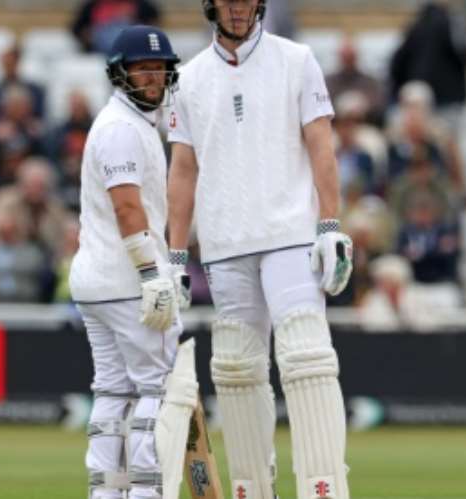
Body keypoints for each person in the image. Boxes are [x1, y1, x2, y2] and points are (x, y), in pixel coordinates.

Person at [167, 1, 353, 497]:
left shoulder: (296, 59)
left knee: (306, 358)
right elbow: (183, 171)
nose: (238, 8)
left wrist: (330, 225)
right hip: (226, 243)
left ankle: (324, 488)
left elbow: (321, 146)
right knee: (235, 369)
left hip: (290, 233)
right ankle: (251, 489)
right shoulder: (187, 80)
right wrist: (175, 257)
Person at [68, 26, 196, 499]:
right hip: (126, 280)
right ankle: (146, 491)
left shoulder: (126, 123)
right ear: (119, 73)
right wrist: (150, 274)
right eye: (142, 69)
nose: (153, 79)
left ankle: (106, 491)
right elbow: (127, 207)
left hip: (95, 282)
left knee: (112, 392)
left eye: (159, 69)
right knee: (156, 392)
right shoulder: (121, 128)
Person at [390, 1, 466, 131]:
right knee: (444, 137)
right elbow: (462, 49)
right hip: (448, 95)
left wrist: (398, 86)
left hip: (423, 92)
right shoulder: (451, 22)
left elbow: (398, 60)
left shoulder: (416, 24)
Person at [0, 158, 67, 261]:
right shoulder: (5, 200)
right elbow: (0, 230)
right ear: (22, 183)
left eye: (40, 186)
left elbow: (58, 239)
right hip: (9, 253)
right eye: (32, 184)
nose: (36, 190)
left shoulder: (55, 206)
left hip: (45, 259)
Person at [325, 36, 385, 125]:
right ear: (340, 57)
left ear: (356, 56)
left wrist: (362, 108)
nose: (348, 60)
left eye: (351, 57)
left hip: (366, 126)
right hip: (336, 127)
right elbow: (323, 108)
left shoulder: (371, 82)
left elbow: (379, 107)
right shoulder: (328, 82)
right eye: (345, 57)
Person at [70, 0, 161, 54]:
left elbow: (154, 25)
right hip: (99, 55)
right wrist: (88, 37)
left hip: (134, 55)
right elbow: (78, 29)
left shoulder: (141, 5)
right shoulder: (93, 6)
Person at [0, 45, 46, 122]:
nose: (9, 66)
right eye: (6, 62)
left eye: (11, 62)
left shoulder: (35, 91)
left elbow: (40, 119)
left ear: (18, 62)